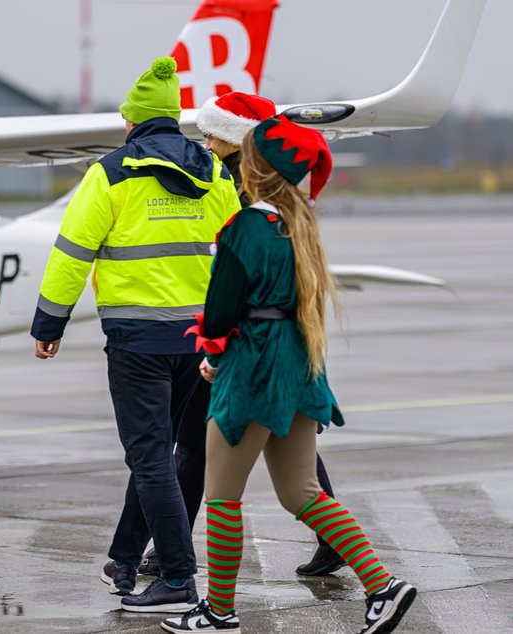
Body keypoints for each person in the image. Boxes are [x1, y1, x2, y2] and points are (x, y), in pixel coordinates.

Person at [161, 115, 416, 633]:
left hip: (253, 368)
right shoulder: (300, 221)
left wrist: (212, 353)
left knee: (223, 496)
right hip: (299, 364)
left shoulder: (246, 225)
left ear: (257, 168)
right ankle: (383, 586)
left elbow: (221, 309)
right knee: (303, 491)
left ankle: (219, 611)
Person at [31, 57, 241, 613]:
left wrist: (49, 324)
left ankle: (178, 578)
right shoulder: (217, 174)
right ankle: (124, 559)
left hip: (138, 342)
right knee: (164, 456)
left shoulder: (111, 173)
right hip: (200, 341)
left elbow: (72, 254)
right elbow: (236, 250)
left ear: (133, 123)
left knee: (149, 459)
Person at [140, 92, 346, 579]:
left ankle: (177, 559)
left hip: (244, 342)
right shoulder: (288, 202)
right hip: (288, 343)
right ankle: (339, 545)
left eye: (212, 134)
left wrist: (216, 337)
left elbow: (238, 260)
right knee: (296, 471)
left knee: (198, 448)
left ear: (238, 142)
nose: (205, 143)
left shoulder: (247, 196)